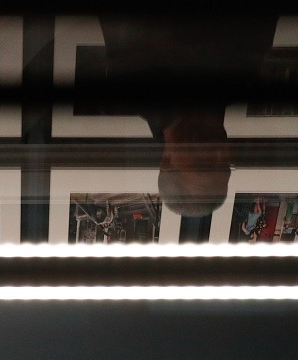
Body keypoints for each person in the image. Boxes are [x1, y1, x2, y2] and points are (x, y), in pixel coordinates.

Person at [98, 17, 277, 217]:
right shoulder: (246, 79)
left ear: (166, 160)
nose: (219, 152)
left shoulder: (130, 88)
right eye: (224, 165)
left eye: (203, 165)